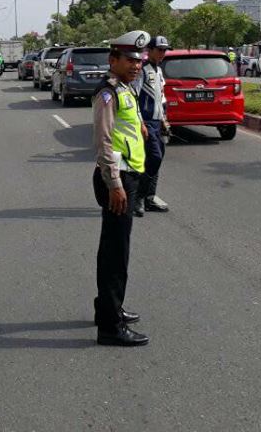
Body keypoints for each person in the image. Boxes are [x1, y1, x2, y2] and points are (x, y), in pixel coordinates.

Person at [92, 30, 151, 347]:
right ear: (113, 59)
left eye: (139, 60)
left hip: (129, 174)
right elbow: (102, 142)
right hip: (117, 178)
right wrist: (114, 184)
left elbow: (129, 123)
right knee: (116, 253)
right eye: (129, 59)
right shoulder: (107, 93)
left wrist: (141, 124)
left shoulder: (125, 89)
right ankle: (110, 327)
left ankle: (109, 308)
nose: (136, 65)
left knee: (113, 247)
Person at [133, 36, 171, 216]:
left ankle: (149, 197)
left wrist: (164, 120)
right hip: (146, 122)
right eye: (160, 50)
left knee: (158, 157)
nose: (163, 53)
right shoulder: (142, 70)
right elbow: (134, 97)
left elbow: (160, 98)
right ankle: (138, 198)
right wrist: (140, 123)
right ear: (150, 50)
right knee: (153, 158)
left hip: (157, 121)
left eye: (165, 50)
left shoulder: (159, 71)